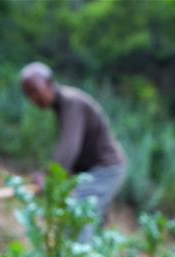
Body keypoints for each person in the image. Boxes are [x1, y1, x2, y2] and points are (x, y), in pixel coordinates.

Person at [20, 62, 127, 242]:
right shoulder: (63, 105)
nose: (33, 99)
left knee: (79, 216)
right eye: (28, 95)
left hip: (105, 169)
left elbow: (69, 147)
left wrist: (49, 176)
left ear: (50, 83)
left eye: (35, 91)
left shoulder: (71, 103)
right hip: (94, 170)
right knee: (91, 221)